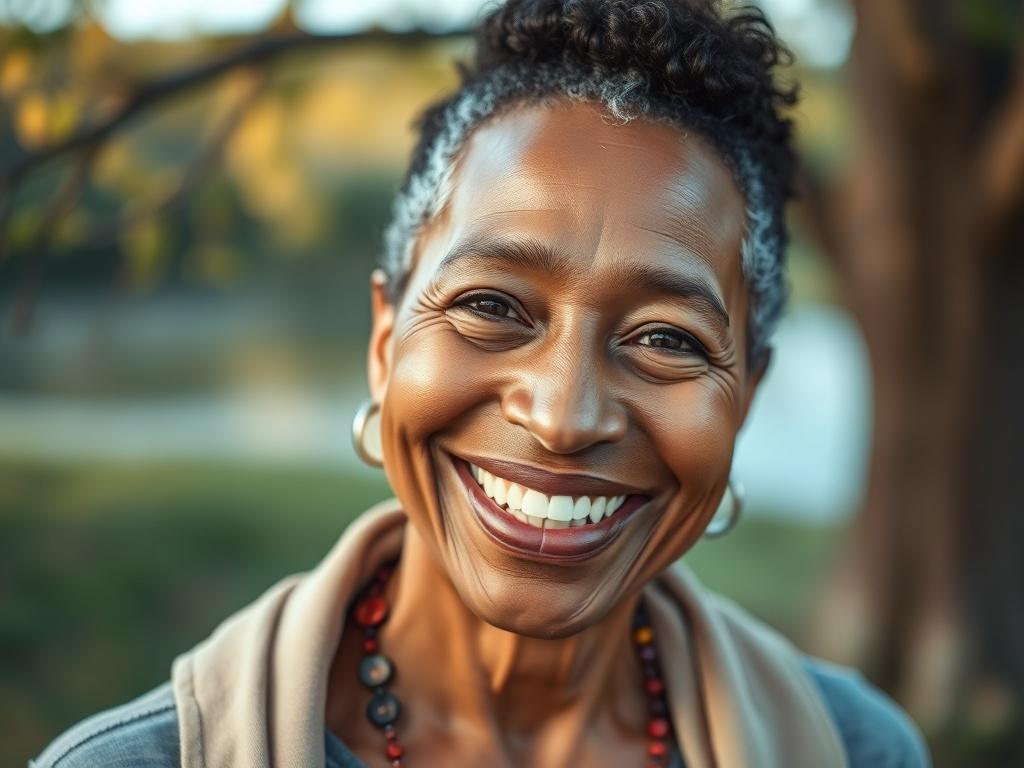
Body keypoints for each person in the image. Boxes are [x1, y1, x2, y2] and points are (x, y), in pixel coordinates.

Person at [33, 1, 931, 766]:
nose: (564, 415)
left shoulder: (856, 748)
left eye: (666, 337)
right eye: (494, 306)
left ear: (747, 395)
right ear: (386, 344)